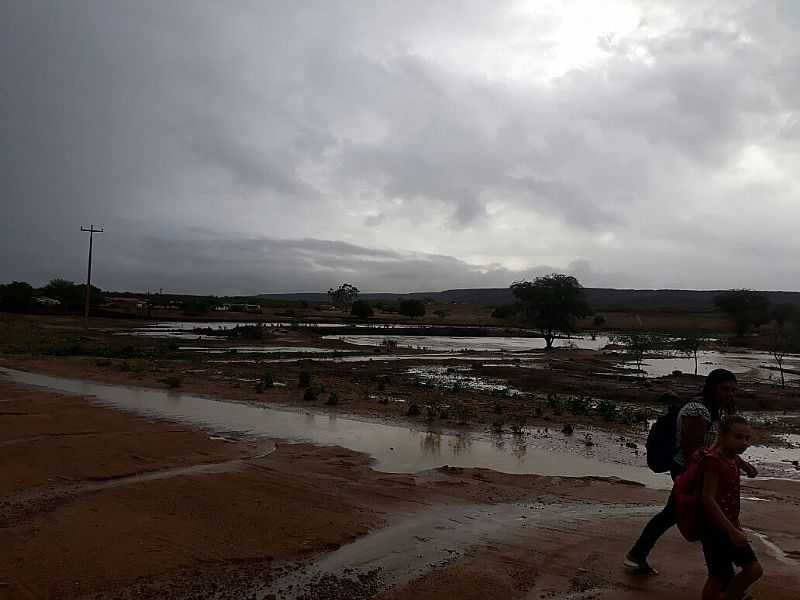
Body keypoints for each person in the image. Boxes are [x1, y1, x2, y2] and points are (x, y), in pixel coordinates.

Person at [624, 369, 757, 574]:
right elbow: (692, 451)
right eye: (725, 389)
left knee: (672, 515)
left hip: (703, 469)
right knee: (704, 518)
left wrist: (741, 464)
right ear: (712, 387)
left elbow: (716, 445)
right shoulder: (697, 410)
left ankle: (637, 554)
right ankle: (725, 578)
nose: (730, 394)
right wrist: (699, 481)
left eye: (733, 390)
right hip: (689, 470)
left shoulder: (717, 410)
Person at [699, 415, 762, 600]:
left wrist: (736, 525)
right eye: (738, 437)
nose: (744, 442)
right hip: (713, 529)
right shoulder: (713, 461)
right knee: (718, 576)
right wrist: (731, 530)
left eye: (747, 438)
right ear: (723, 436)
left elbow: (728, 499)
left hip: (730, 526)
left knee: (753, 570)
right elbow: (707, 498)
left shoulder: (733, 460)